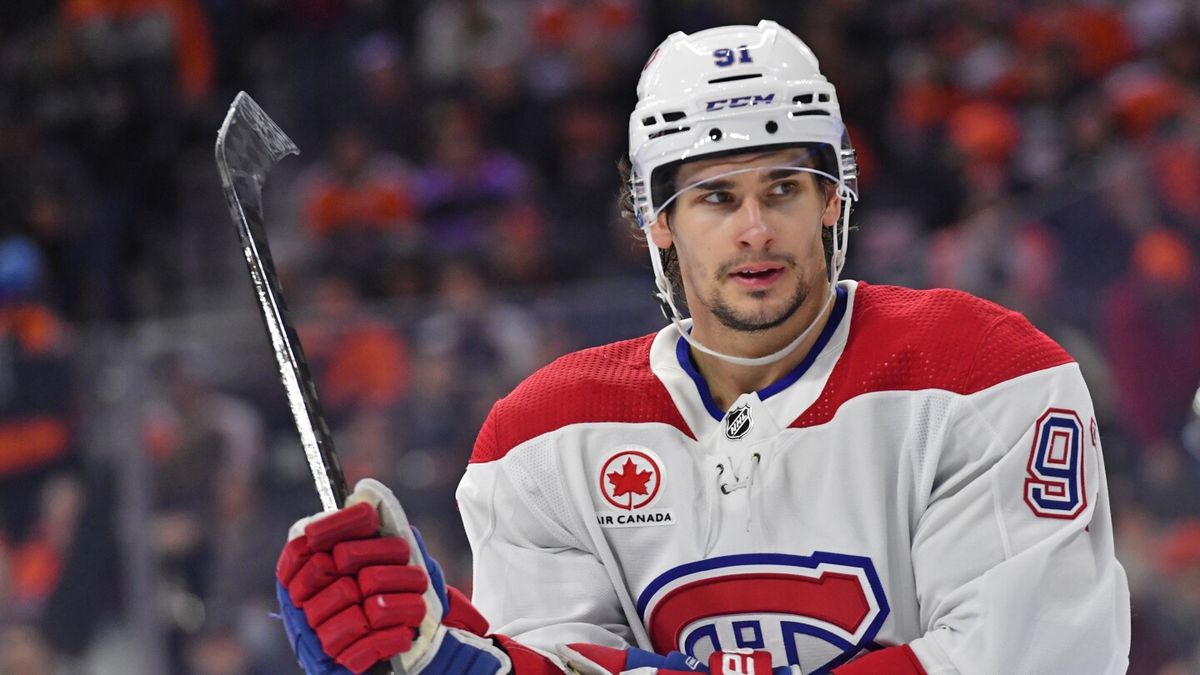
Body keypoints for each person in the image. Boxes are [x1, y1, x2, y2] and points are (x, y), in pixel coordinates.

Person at [274, 20, 1131, 675]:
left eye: (785, 188)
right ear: (659, 223)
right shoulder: (542, 438)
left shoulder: (979, 374)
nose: (756, 229)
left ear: (835, 201)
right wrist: (431, 657)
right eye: (717, 196)